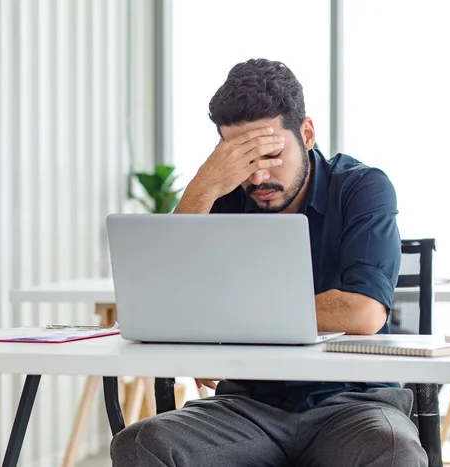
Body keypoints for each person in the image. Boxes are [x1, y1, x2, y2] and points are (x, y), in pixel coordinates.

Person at [111, 58, 427, 467]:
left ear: (307, 133)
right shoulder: (219, 198)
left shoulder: (362, 188)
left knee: (394, 451)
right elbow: (162, 302)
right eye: (242, 160)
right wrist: (204, 185)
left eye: (271, 154)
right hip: (249, 407)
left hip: (353, 404)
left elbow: (363, 312)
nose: (258, 178)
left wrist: (223, 321)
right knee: (141, 444)